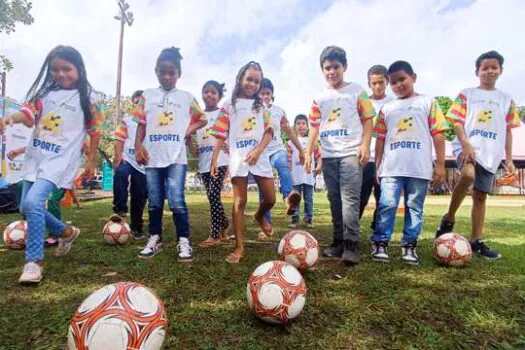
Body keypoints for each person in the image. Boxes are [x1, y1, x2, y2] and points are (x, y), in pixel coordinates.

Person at [0, 45, 105, 284]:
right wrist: (8, 118)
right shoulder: (44, 95)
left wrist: (91, 161)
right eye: (55, 70)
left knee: (32, 202)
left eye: (66, 69)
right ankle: (66, 232)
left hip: (59, 161)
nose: (60, 74)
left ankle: (33, 262)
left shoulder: (89, 99)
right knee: (26, 209)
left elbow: (95, 131)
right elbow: (28, 114)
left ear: (79, 68)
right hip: (36, 159)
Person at [436, 50, 521, 259]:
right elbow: (456, 121)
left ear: (500, 70)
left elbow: (508, 130)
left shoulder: (506, 99)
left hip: (491, 154)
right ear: (477, 71)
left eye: (494, 67)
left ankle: (476, 240)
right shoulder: (468, 94)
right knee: (467, 175)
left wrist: (508, 158)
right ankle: (449, 218)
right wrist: (465, 143)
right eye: (485, 68)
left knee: (481, 197)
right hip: (467, 146)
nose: (489, 71)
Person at [133, 47, 206, 261]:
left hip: (176, 158)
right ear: (156, 71)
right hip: (152, 156)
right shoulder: (147, 96)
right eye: (162, 72)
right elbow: (141, 124)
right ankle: (155, 238)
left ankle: (183, 240)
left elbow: (202, 119)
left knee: (176, 200)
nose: (167, 76)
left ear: (178, 74)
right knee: (154, 200)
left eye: (171, 72)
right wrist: (138, 146)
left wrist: (187, 131)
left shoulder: (186, 97)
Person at [372, 60, 448, 265]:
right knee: (387, 205)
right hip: (391, 168)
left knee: (414, 207)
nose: (398, 85)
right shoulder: (387, 108)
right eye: (393, 82)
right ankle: (380, 242)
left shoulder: (428, 102)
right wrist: (377, 164)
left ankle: (409, 245)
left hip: (419, 168)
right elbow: (380, 137)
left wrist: (440, 164)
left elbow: (438, 134)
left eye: (402, 79)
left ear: (413, 78)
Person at [304, 46, 375, 265]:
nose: (331, 71)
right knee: (334, 199)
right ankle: (338, 242)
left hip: (351, 153)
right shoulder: (319, 97)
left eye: (336, 67)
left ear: (344, 67)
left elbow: (368, 119)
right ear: (322, 70)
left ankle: (352, 245)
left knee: (350, 199)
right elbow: (314, 127)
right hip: (329, 155)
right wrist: (309, 152)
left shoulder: (357, 91)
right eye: (327, 68)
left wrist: (365, 145)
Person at [209, 61, 275, 264]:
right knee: (239, 202)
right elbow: (220, 134)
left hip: (260, 156)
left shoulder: (261, 106)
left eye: (257, 81)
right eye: (249, 79)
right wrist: (214, 159)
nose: (253, 84)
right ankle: (239, 247)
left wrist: (258, 150)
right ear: (240, 79)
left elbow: (269, 132)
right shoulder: (229, 106)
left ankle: (259, 216)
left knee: (271, 199)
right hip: (238, 158)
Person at [190, 80, 231, 247]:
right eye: (206, 91)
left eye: (213, 92)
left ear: (219, 96)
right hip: (204, 163)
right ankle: (225, 223)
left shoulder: (224, 113)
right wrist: (188, 141)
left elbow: (230, 135)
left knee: (214, 193)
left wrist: (229, 145)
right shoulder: (199, 118)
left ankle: (215, 235)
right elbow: (195, 152)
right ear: (202, 95)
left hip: (220, 161)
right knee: (212, 196)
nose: (209, 94)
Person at [258, 78, 302, 231]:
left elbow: (289, 131)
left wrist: (301, 150)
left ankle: (289, 198)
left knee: (283, 166)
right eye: (262, 93)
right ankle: (266, 224)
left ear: (272, 94)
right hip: (261, 152)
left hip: (277, 149)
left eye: (268, 93)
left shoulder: (279, 111)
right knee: (264, 189)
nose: (265, 97)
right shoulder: (253, 111)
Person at [359, 65, 394, 232]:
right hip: (365, 158)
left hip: (387, 159)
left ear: (387, 81)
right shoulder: (363, 103)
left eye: (381, 82)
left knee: (383, 197)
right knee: (360, 197)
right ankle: (350, 231)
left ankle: (378, 231)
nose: (378, 86)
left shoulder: (394, 103)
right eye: (374, 83)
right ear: (369, 84)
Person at [111, 90, 148, 240]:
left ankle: (136, 227)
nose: (140, 104)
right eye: (138, 101)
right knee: (120, 173)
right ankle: (120, 208)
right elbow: (119, 139)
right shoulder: (126, 120)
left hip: (143, 162)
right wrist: (118, 156)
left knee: (139, 194)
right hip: (127, 159)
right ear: (133, 102)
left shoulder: (151, 121)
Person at [288, 114, 322, 228]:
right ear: (294, 126)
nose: (301, 126)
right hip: (295, 176)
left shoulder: (311, 140)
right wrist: (288, 172)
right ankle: (294, 219)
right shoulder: (290, 142)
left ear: (307, 126)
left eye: (303, 124)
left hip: (308, 175)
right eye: (298, 124)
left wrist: (319, 166)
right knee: (294, 199)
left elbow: (319, 154)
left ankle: (308, 220)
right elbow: (288, 158)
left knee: (309, 199)